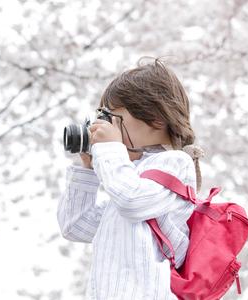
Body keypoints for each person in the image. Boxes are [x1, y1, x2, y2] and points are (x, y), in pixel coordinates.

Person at [57, 59, 204, 299]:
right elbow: (75, 225)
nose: (105, 125)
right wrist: (86, 169)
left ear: (156, 119)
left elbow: (132, 201)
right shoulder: (130, 176)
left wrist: (110, 149)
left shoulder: (176, 163)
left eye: (113, 118)